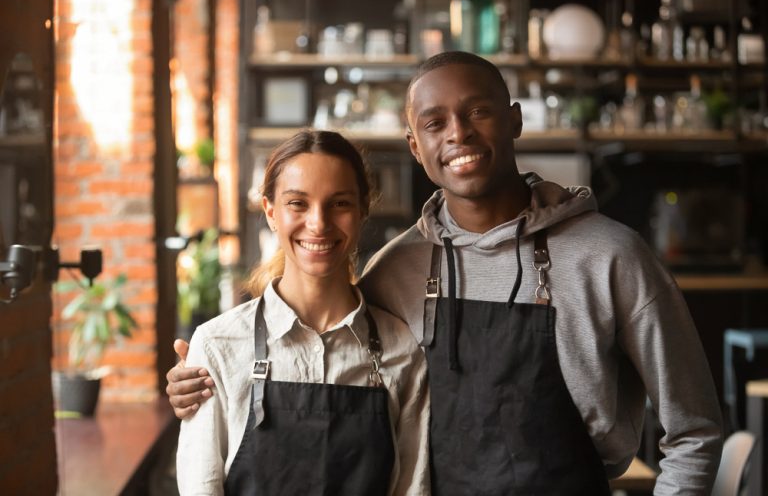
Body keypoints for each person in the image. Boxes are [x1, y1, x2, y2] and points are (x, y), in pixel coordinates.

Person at [168, 52, 723, 494]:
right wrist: (203, 377)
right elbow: (326, 359)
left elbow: (694, 430)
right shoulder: (397, 271)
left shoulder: (612, 256)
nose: (457, 133)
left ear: (514, 120)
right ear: (416, 146)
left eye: (477, 111)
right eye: (435, 123)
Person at [175, 130, 430, 495]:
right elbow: (201, 486)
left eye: (339, 203)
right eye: (298, 203)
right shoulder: (217, 345)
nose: (318, 223)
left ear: (362, 211)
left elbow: (412, 488)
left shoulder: (402, 349)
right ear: (270, 212)